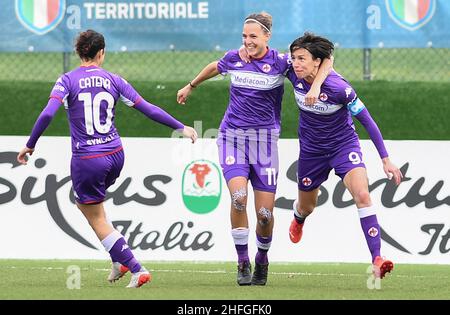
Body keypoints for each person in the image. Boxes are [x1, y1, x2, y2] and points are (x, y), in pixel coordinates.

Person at [17, 30, 198, 288]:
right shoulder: (114, 80)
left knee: (94, 216)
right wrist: (181, 127)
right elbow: (148, 109)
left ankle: (136, 268)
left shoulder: (67, 80)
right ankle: (118, 261)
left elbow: (47, 115)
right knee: (93, 207)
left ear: (79, 53)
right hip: (115, 155)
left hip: (88, 158)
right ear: (101, 53)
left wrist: (30, 145)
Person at [177, 13, 332, 286]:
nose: (247, 42)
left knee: (265, 215)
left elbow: (327, 57)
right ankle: (242, 260)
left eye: (253, 37)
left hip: (264, 143)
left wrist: (317, 84)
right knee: (238, 198)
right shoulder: (235, 58)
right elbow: (216, 66)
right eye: (244, 37)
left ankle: (261, 258)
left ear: (267, 37)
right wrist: (191, 85)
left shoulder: (282, 62)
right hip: (232, 138)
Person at [286, 32, 403, 278]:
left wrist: (385, 159)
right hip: (311, 152)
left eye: (302, 58)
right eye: (293, 58)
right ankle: (298, 218)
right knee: (307, 207)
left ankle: (377, 259)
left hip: (343, 146)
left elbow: (367, 121)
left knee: (362, 194)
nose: (296, 63)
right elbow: (324, 57)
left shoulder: (340, 88)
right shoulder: (291, 73)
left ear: (317, 62)